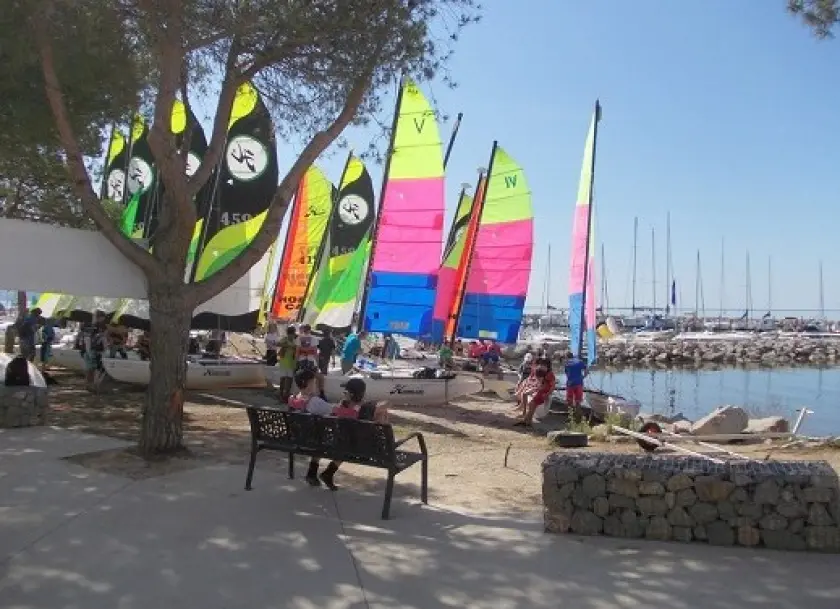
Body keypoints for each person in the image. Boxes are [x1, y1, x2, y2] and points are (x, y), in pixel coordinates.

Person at [305, 377, 388, 490]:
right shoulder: (364, 410)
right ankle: (328, 473)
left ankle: (316, 472)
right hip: (358, 448)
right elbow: (386, 404)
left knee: (326, 440)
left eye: (346, 392)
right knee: (346, 444)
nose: (344, 394)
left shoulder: (340, 409)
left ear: (350, 394)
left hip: (339, 444)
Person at [514, 357, 556, 427]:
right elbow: (537, 381)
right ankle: (527, 421)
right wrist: (533, 387)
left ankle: (526, 421)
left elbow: (552, 386)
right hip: (539, 389)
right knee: (531, 403)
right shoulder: (539, 370)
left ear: (548, 366)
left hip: (544, 391)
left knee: (532, 404)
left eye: (544, 365)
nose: (542, 366)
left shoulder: (550, 374)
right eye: (541, 364)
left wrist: (547, 394)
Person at [275, 326, 297, 402]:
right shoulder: (285, 339)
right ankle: (282, 394)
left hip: (291, 362)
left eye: (292, 334)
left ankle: (286, 395)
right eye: (290, 334)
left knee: (289, 380)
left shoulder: (295, 341)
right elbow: (277, 344)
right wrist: (287, 345)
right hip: (284, 362)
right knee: (283, 379)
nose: (292, 335)